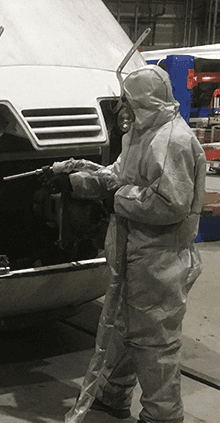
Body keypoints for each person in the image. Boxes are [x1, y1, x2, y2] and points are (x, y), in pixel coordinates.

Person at [46, 65, 207, 423]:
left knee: (154, 342)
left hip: (159, 259)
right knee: (124, 329)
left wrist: (114, 201)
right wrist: (75, 183)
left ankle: (162, 415)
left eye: (128, 101)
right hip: (135, 253)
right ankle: (114, 394)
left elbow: (169, 202)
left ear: (145, 101)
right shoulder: (141, 133)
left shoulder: (171, 141)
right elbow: (119, 175)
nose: (123, 109)